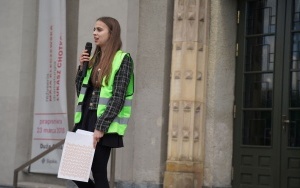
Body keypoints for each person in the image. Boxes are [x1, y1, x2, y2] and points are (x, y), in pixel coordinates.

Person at [72, 16, 134, 188]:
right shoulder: (93, 61)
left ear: (111, 33)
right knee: (74, 171)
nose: (94, 33)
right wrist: (81, 68)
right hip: (84, 119)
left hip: (102, 122)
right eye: (94, 29)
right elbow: (81, 92)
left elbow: (118, 96)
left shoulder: (123, 59)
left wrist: (101, 126)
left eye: (99, 30)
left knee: (98, 171)